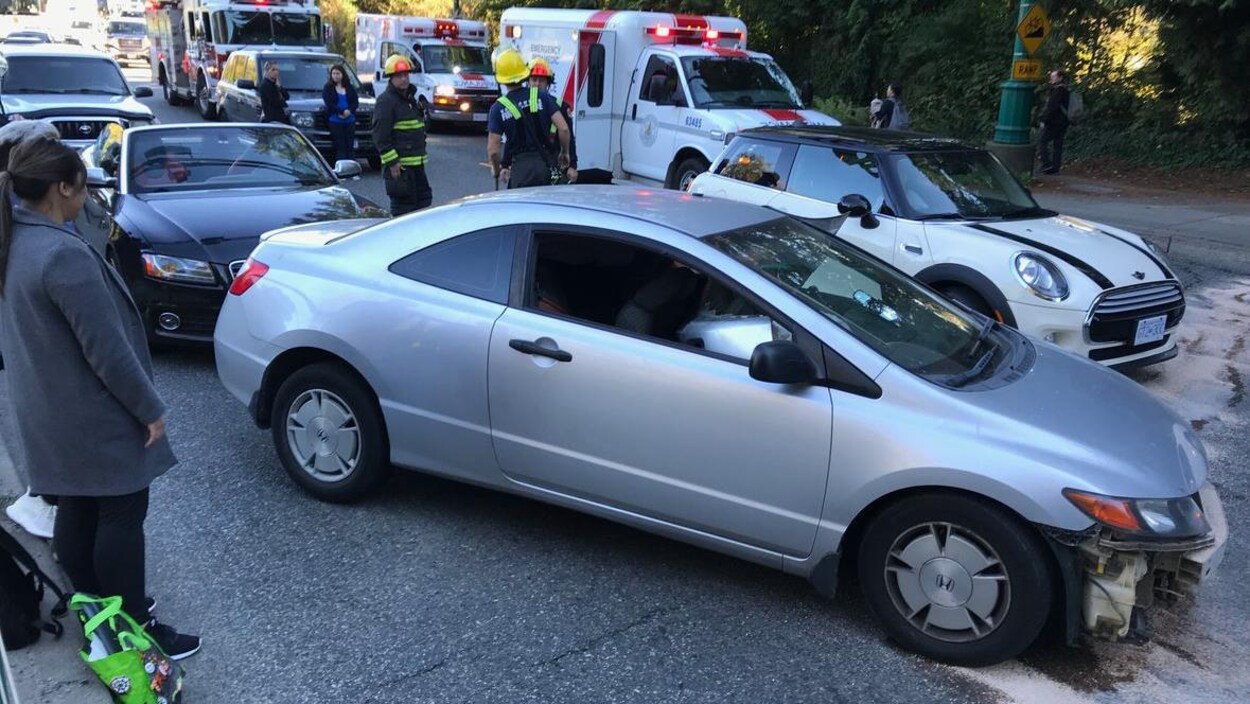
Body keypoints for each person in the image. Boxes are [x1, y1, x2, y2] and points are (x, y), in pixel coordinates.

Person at [0, 137, 200, 659]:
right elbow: (106, 351)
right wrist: (148, 410)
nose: (85, 198)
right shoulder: (61, 254)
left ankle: (94, 613)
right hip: (93, 414)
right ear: (61, 188)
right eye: (81, 187)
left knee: (77, 505)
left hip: (47, 408)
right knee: (121, 513)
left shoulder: (13, 241)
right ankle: (133, 631)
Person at [0, 117, 60, 539]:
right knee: (51, 424)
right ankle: (50, 506)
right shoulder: (26, 223)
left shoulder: (17, 220)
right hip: (39, 347)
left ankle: (47, 498)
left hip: (25, 347)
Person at [487, 49, 570, 189]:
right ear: (524, 74)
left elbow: (493, 150)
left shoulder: (498, 108)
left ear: (501, 78)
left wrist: (497, 169)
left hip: (520, 170)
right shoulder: (542, 96)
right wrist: (565, 152)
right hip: (545, 166)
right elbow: (564, 128)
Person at [372, 54, 432, 216]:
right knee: (403, 210)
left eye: (406, 75)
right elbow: (380, 137)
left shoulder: (410, 99)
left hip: (417, 164)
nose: (404, 79)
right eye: (399, 76)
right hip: (400, 169)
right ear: (391, 78)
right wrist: (393, 163)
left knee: (423, 203)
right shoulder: (386, 101)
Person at [526, 57, 577, 184]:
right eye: (534, 79)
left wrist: (572, 166)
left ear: (548, 83)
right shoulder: (522, 105)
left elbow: (569, 135)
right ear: (528, 81)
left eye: (541, 80)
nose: (537, 84)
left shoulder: (560, 106)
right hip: (527, 163)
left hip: (553, 162)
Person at [322, 64, 358, 163]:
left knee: (349, 146)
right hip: (335, 121)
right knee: (340, 147)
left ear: (342, 74)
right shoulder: (328, 88)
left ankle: (352, 170)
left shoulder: (349, 87)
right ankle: (342, 170)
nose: (335, 76)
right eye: (333, 73)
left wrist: (349, 111)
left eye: (338, 73)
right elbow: (329, 103)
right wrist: (341, 111)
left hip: (350, 120)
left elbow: (355, 102)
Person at [1038, 69, 1070, 175]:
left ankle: (1046, 164)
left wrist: (1044, 120)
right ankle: (1055, 168)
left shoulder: (1058, 91)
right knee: (1058, 145)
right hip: (1063, 122)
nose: (1052, 79)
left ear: (1060, 78)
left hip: (1054, 122)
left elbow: (1052, 107)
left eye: (1054, 77)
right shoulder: (1066, 89)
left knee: (1042, 141)